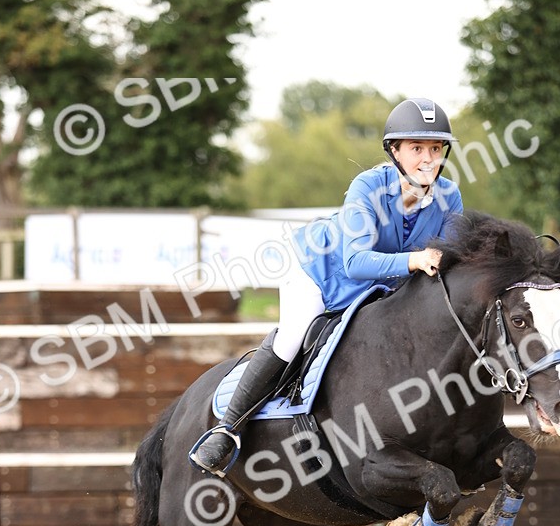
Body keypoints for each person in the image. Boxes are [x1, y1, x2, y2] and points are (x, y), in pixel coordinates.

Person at [189, 96, 464, 477]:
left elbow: (449, 260)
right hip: (320, 274)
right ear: (395, 152)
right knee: (292, 337)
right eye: (417, 148)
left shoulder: (449, 196)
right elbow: (355, 262)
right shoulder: (367, 187)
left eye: (435, 148)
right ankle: (227, 429)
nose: (428, 159)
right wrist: (415, 260)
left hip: (380, 289)